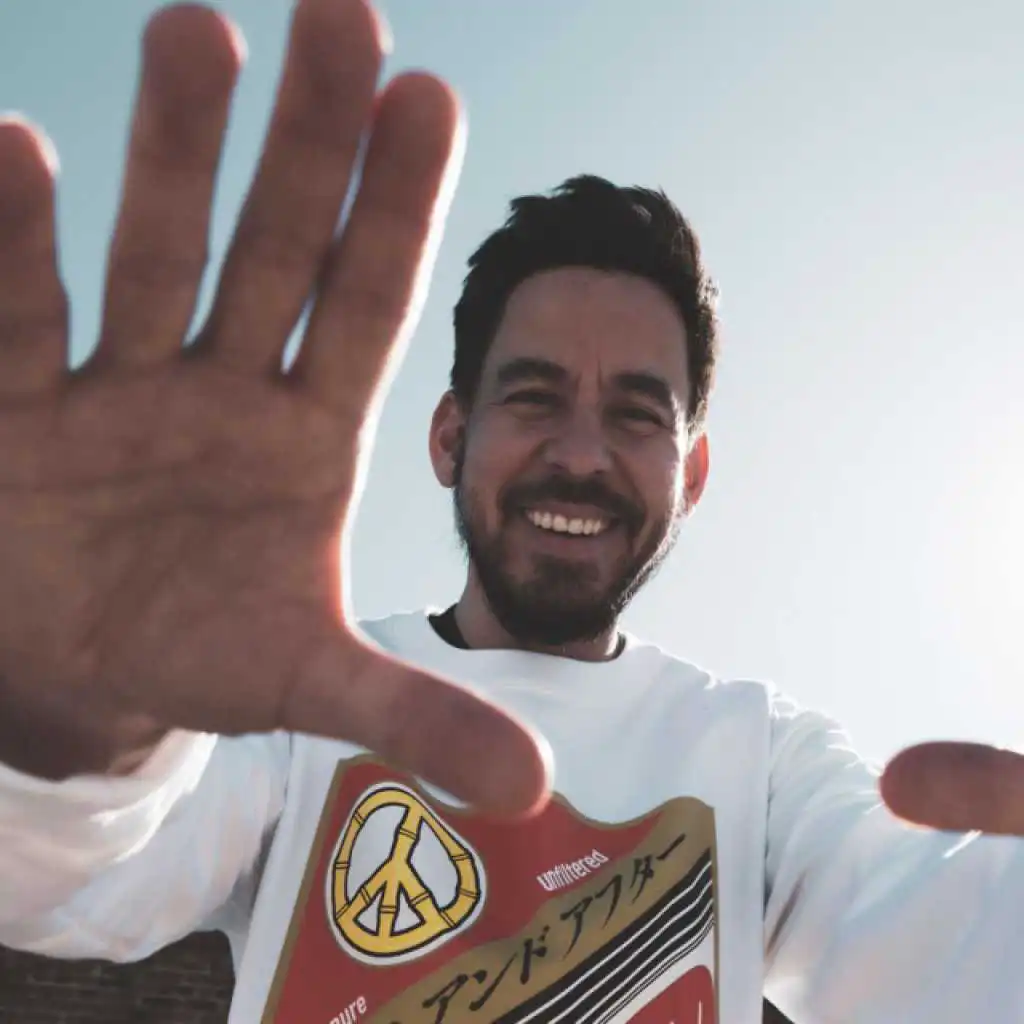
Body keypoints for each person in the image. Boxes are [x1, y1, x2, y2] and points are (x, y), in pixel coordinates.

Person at [1, 1, 1023, 1021]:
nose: (579, 455)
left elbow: (954, 951)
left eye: (636, 414)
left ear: (692, 474)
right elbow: (67, 880)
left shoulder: (760, 763)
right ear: (450, 436)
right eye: (534, 397)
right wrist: (78, 714)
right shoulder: (300, 714)